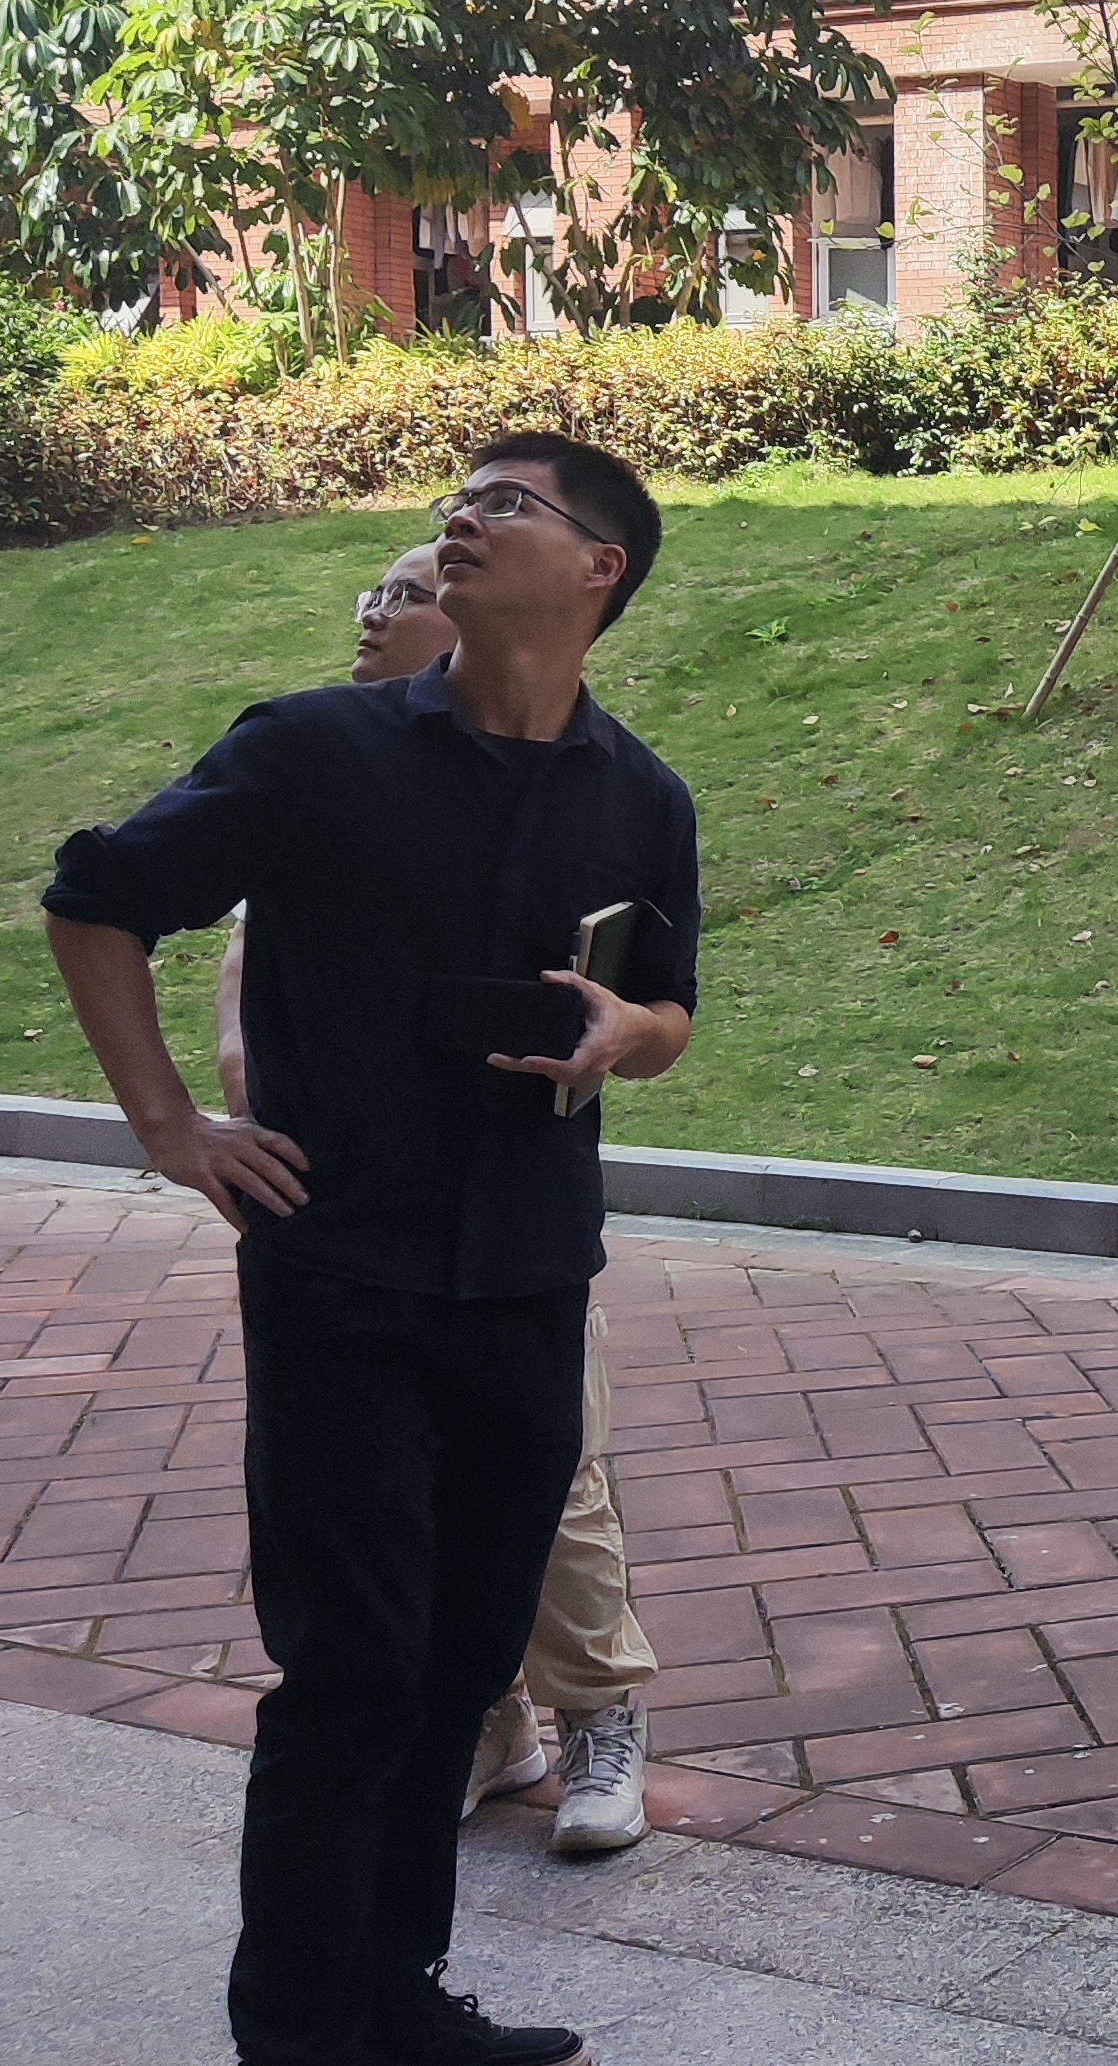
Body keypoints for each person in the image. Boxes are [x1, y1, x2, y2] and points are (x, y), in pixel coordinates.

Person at [45, 433, 701, 2066]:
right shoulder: (311, 750)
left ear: (598, 567)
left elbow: (671, 1007)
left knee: (463, 1660)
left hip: (530, 1274)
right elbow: (95, 897)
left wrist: (628, 1030)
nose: (460, 519)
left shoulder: (640, 795)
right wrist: (170, 1125)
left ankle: (394, 1997)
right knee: (350, 1672)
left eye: (506, 503)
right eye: (456, 501)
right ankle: (293, 2029)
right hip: (341, 1275)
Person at [215, 538, 662, 1861]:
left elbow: (641, 997)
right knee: (394, 1518)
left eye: (404, 594)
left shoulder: (582, 786)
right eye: (375, 592)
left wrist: (624, 1028)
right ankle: (489, 1720)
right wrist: (214, 1123)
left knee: (550, 1479)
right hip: (345, 1226)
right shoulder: (314, 758)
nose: (375, 613)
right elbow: (225, 964)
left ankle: (598, 1711)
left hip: (507, 1226)